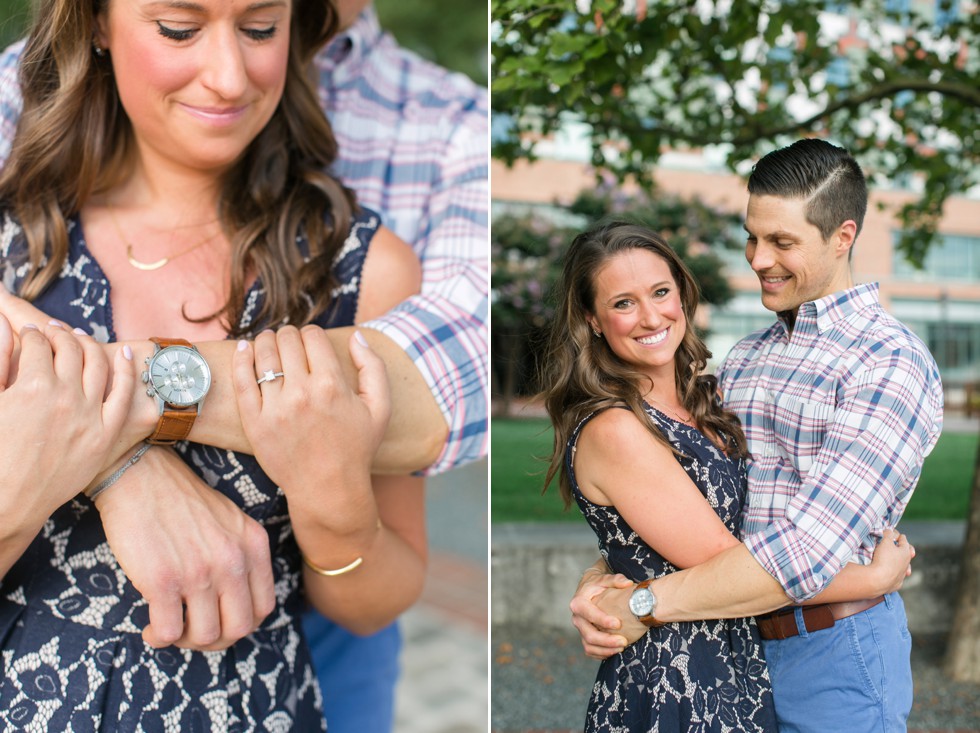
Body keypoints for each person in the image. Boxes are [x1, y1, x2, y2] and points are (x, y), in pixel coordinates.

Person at [0, 0, 489, 728]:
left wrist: (336, 508)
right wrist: (109, 461)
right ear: (98, 23)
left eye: (260, 29)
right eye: (179, 29)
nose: (229, 77)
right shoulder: (18, 232)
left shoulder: (362, 268)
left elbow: (375, 599)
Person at [569, 140, 943, 732]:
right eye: (753, 237)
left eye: (783, 242)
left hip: (833, 651)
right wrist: (607, 572)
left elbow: (799, 555)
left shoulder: (886, 364)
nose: (758, 259)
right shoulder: (747, 358)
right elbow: (693, 508)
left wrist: (641, 603)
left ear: (843, 237)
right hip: (732, 646)